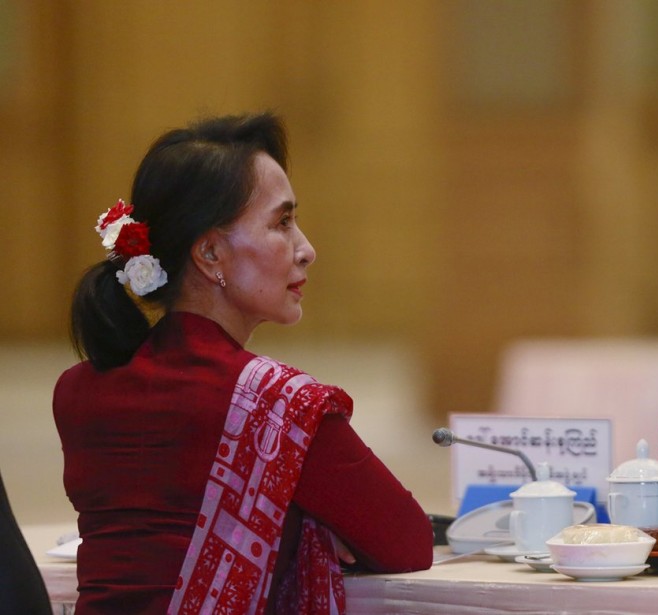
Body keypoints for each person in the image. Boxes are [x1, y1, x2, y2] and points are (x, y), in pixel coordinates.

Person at [53, 113, 434, 614]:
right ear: (210, 253)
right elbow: (408, 542)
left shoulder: (79, 390)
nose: (307, 250)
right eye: (282, 222)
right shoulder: (280, 408)